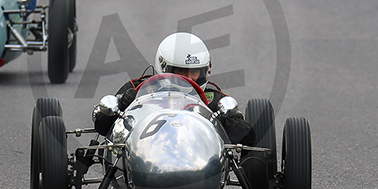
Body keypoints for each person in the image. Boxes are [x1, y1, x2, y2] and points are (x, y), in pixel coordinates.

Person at [92, 32, 255, 145]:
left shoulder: (213, 99)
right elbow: (101, 126)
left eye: (195, 72)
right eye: (181, 71)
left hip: (197, 158)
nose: (189, 78)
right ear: (164, 67)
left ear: (206, 70)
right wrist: (124, 103)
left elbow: (248, 136)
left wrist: (223, 122)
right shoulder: (135, 90)